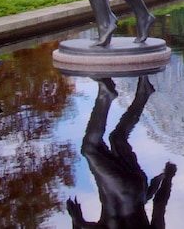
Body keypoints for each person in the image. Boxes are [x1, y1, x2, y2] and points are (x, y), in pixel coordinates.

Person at [67, 76, 176, 228]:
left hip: (138, 189)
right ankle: (106, 95)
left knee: (118, 138)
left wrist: (168, 177)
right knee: (90, 149)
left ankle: (144, 92)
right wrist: (77, 221)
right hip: (124, 190)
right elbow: (159, 207)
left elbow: (159, 207)